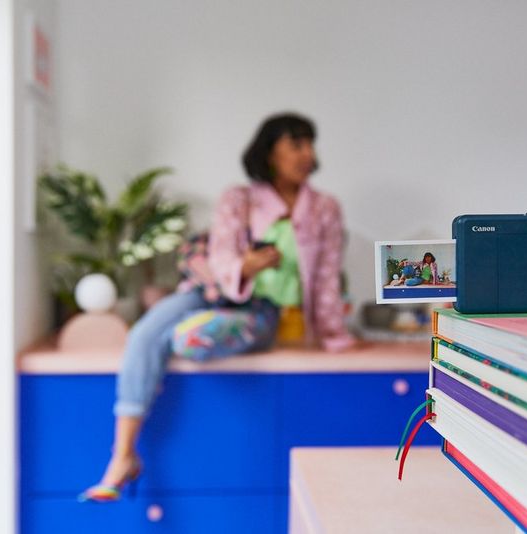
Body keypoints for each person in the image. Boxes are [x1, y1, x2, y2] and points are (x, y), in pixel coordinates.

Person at [80, 113, 355, 502]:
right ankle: (122, 455)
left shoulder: (324, 208)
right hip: (209, 291)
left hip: (265, 311)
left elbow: (326, 277)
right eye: (296, 144)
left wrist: (334, 336)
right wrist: (249, 264)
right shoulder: (238, 199)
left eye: (310, 144)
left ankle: (127, 453)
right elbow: (222, 255)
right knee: (145, 332)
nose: (308, 154)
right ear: (271, 152)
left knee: (188, 336)